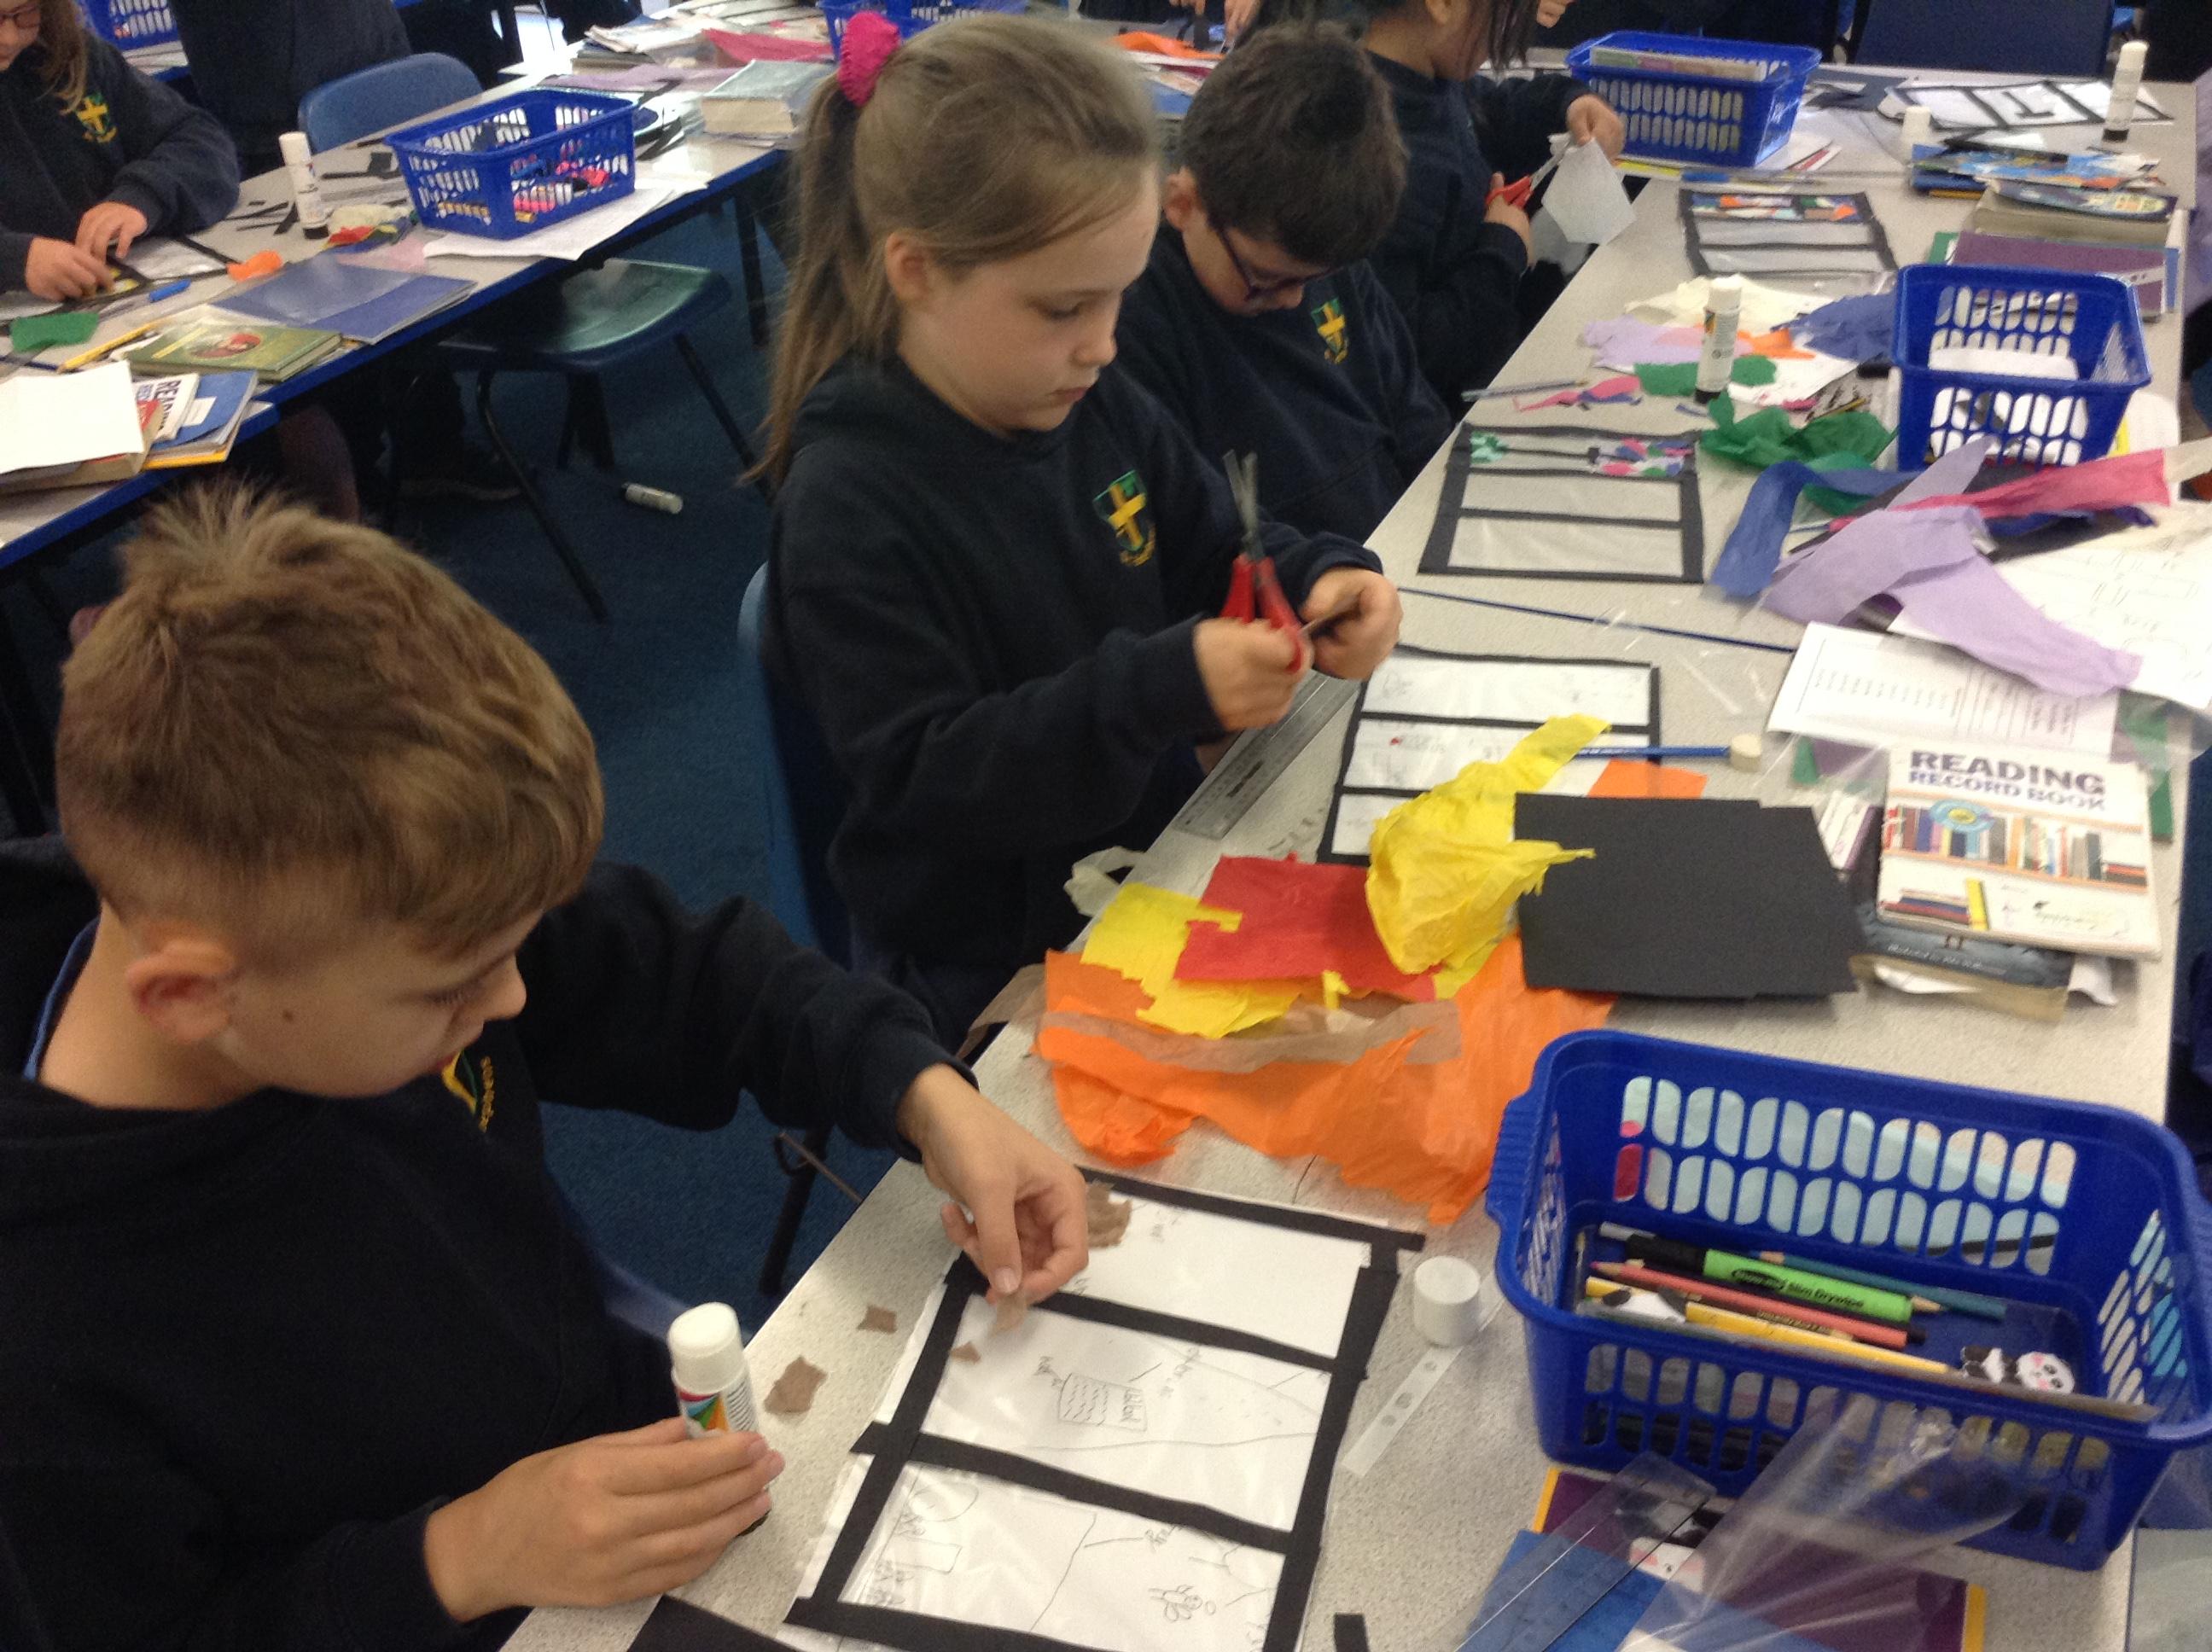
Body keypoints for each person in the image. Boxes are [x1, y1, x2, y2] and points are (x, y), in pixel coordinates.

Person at [0, 486, 1089, 1650]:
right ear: (188, 995)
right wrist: (458, 1555)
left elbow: (695, 973)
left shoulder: (370, 927)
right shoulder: (43, 1327)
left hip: (600, 1463)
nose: (512, 1000)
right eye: (457, 987)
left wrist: (923, 1092)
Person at [760, 14, 1402, 1045]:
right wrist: (1159, 689)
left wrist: (1319, 576)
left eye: (1120, 297)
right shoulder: (850, 507)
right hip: (985, 955)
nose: (1103, 344)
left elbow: (1214, 539)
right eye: (1064, 309)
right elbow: (931, 782)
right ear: (916, 270)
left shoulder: (1090, 399)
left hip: (1140, 862)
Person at [1115, 26, 1452, 541]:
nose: (1295, 300)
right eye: (1266, 280)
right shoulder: (1140, 325)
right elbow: (1201, 535)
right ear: (1182, 204)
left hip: (1394, 550)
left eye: (1316, 279)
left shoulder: (1320, 255)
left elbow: (1416, 423)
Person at [1342, 0, 1623, 403]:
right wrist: (1502, 253)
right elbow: (1407, 349)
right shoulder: (1369, 151)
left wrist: (1570, 103)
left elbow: (1495, 108)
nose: (1501, 39)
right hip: (1448, 413)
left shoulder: (1430, 76)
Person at [0, 0, 238, 301]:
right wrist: (15, 259)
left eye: (25, 13)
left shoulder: (74, 58)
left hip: (122, 293)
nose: (9, 38)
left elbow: (201, 140)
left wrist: (143, 196)